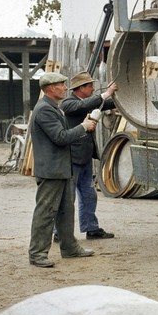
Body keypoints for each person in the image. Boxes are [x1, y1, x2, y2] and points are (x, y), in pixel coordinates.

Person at [28, 72, 96, 268]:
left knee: (66, 210)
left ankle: (69, 248)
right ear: (51, 89)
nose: (66, 88)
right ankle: (37, 254)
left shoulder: (52, 107)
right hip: (51, 171)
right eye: (62, 85)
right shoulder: (45, 111)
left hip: (60, 169)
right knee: (46, 212)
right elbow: (60, 137)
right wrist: (83, 127)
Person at [61, 70, 118, 240]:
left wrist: (113, 97)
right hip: (73, 157)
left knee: (88, 194)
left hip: (84, 156)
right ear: (81, 88)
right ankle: (60, 232)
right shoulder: (68, 103)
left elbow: (103, 104)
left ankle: (91, 228)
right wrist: (105, 94)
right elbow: (84, 106)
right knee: (68, 198)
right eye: (90, 86)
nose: (93, 88)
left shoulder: (86, 101)